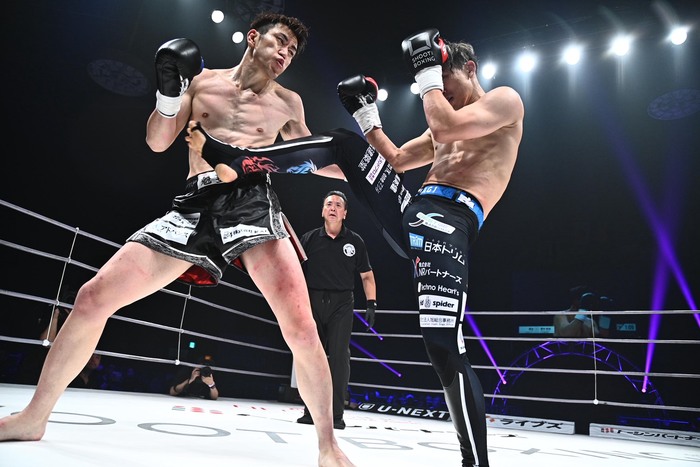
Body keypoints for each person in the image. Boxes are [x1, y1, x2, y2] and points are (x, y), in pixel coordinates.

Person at [0, 12, 354, 467]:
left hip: (252, 201)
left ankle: (327, 447)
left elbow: (311, 157)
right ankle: (34, 417)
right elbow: (157, 141)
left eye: (292, 50)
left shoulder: (289, 103)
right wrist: (168, 95)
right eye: (280, 41)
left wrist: (364, 163)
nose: (285, 53)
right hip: (195, 200)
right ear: (253, 38)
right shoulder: (202, 83)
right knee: (92, 297)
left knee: (302, 329)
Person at [187, 27, 523, 467]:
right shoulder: (445, 114)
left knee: (444, 349)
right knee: (345, 144)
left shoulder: (504, 101)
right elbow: (397, 160)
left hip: (451, 221)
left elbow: (445, 125)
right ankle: (239, 161)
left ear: (470, 69)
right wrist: (367, 116)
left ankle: (474, 462)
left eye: (446, 82)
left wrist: (427, 74)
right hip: (413, 210)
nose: (442, 93)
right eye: (436, 84)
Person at [295, 190, 377, 430]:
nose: (333, 207)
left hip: (342, 303)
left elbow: (367, 275)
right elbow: (294, 270)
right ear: (323, 211)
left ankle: (337, 415)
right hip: (312, 300)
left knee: (340, 357)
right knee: (311, 356)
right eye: (329, 204)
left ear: (345, 213)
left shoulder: (355, 241)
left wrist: (371, 304)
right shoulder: (309, 239)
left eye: (338, 205)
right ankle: (310, 412)